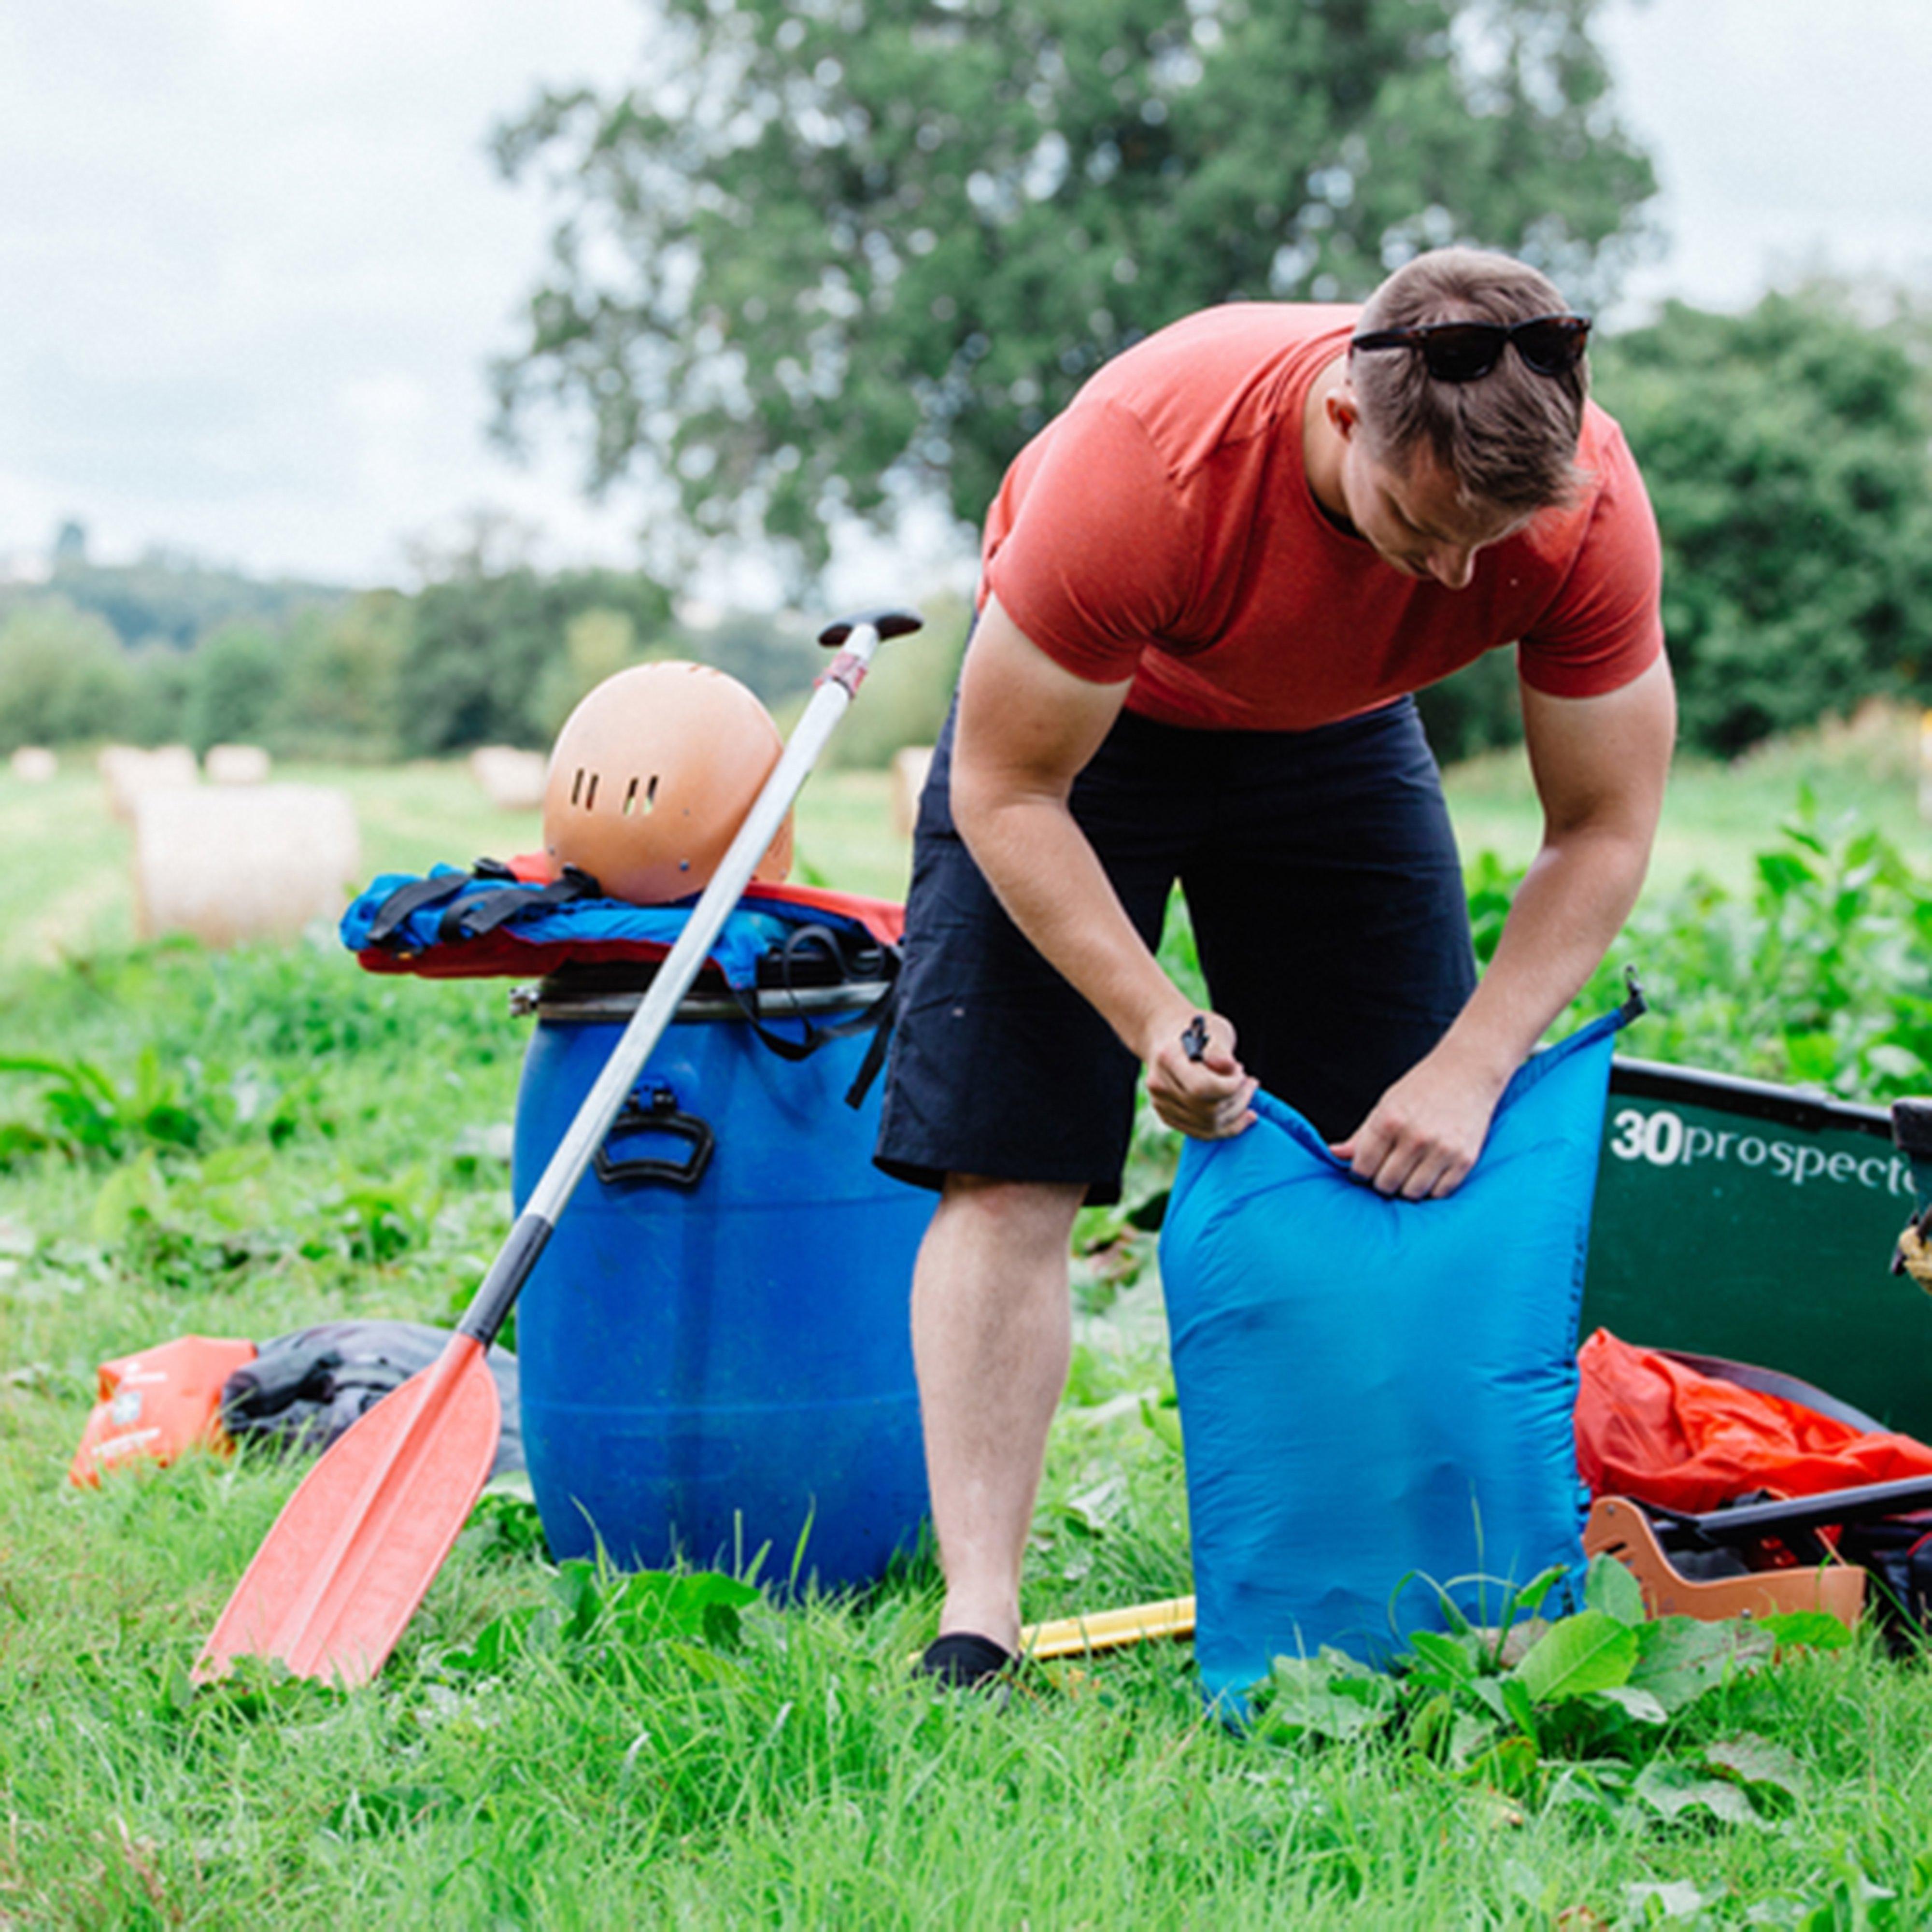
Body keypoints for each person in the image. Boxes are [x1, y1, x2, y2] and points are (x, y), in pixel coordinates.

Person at [873, 246, 1677, 1688]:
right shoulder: (1151, 462)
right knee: (1010, 1158)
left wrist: (1473, 1062)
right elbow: (1005, 791)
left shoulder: (1583, 505)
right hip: (1082, 740)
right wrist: (1153, 1018)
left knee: (1401, 1160)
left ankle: (1376, 1578)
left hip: (1333, 738)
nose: (1457, 575)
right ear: (1346, 417)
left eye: (1495, 543)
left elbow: (1606, 825)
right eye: (1421, 530)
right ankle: (977, 1616)